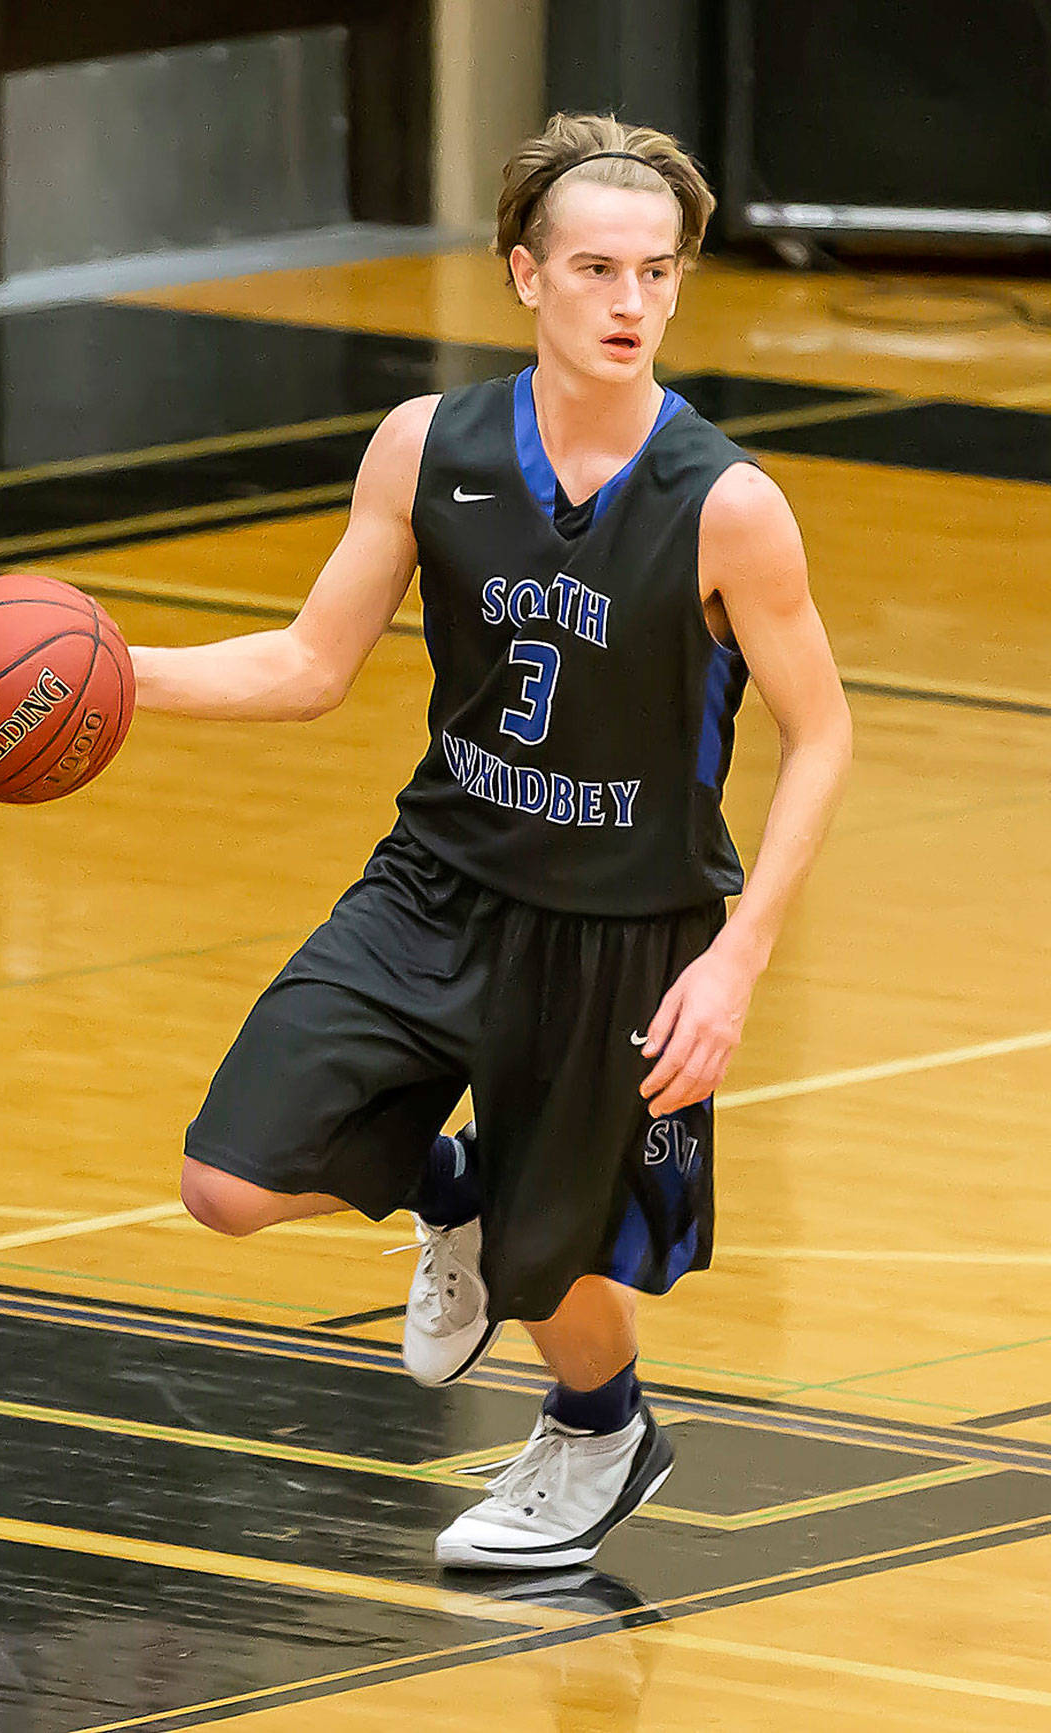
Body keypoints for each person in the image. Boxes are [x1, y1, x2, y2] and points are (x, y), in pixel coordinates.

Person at [128, 113, 852, 1571]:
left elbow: (821, 735)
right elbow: (310, 665)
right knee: (229, 1181)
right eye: (596, 268)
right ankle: (449, 1190)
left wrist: (737, 961)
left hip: (624, 929)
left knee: (551, 1267)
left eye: (658, 273)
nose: (631, 304)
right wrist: (107, 675)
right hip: (437, 884)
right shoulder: (427, 446)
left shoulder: (727, 505)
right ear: (525, 275)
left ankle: (602, 1425)